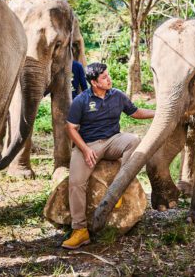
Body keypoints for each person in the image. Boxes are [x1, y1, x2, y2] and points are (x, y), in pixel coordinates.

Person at [62, 62, 155, 249]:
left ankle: (118, 188)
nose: (109, 79)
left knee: (134, 140)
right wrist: (86, 150)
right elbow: (70, 128)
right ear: (94, 82)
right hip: (88, 145)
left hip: (113, 141)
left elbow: (135, 112)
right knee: (76, 183)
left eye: (108, 75)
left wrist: (159, 113)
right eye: (104, 77)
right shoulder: (81, 100)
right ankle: (80, 231)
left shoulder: (117, 95)